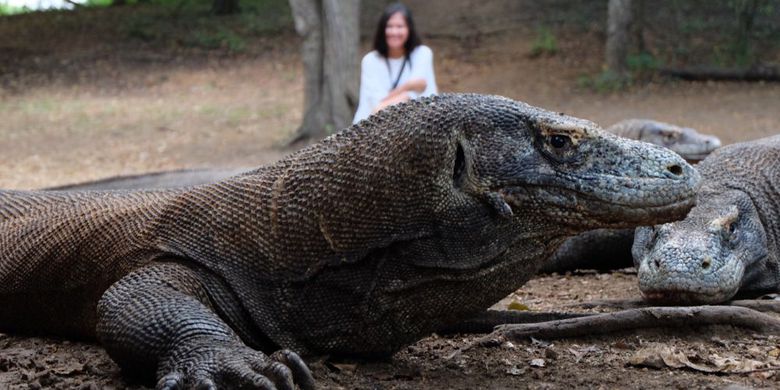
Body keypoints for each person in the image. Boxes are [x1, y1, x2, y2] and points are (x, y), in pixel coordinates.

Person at [352, 2, 438, 124]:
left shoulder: (422, 54)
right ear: (382, 29)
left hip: (416, 128)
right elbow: (378, 108)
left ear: (409, 29)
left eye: (400, 26)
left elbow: (422, 96)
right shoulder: (370, 60)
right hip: (370, 130)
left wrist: (394, 96)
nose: (394, 32)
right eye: (389, 26)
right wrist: (408, 87)